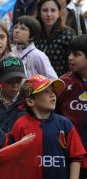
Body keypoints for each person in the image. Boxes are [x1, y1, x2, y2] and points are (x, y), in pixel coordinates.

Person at [9, 74, 86, 179]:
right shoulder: (20, 125)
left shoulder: (65, 124)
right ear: (30, 101)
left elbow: (76, 157)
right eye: (46, 92)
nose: (53, 95)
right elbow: (12, 160)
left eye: (53, 91)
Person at [57, 34, 87, 178]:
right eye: (70, 53)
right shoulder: (63, 83)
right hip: (69, 155)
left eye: (76, 54)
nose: (70, 57)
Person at [0, 56, 26, 133]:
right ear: (0, 81)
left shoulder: (26, 103)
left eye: (18, 81)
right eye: (9, 81)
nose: (15, 85)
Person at [36, 0, 75, 76]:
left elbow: (74, 63)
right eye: (45, 10)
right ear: (39, 13)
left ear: (58, 13)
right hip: (38, 84)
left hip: (62, 82)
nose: (49, 14)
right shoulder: (35, 34)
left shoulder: (67, 35)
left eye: (53, 10)